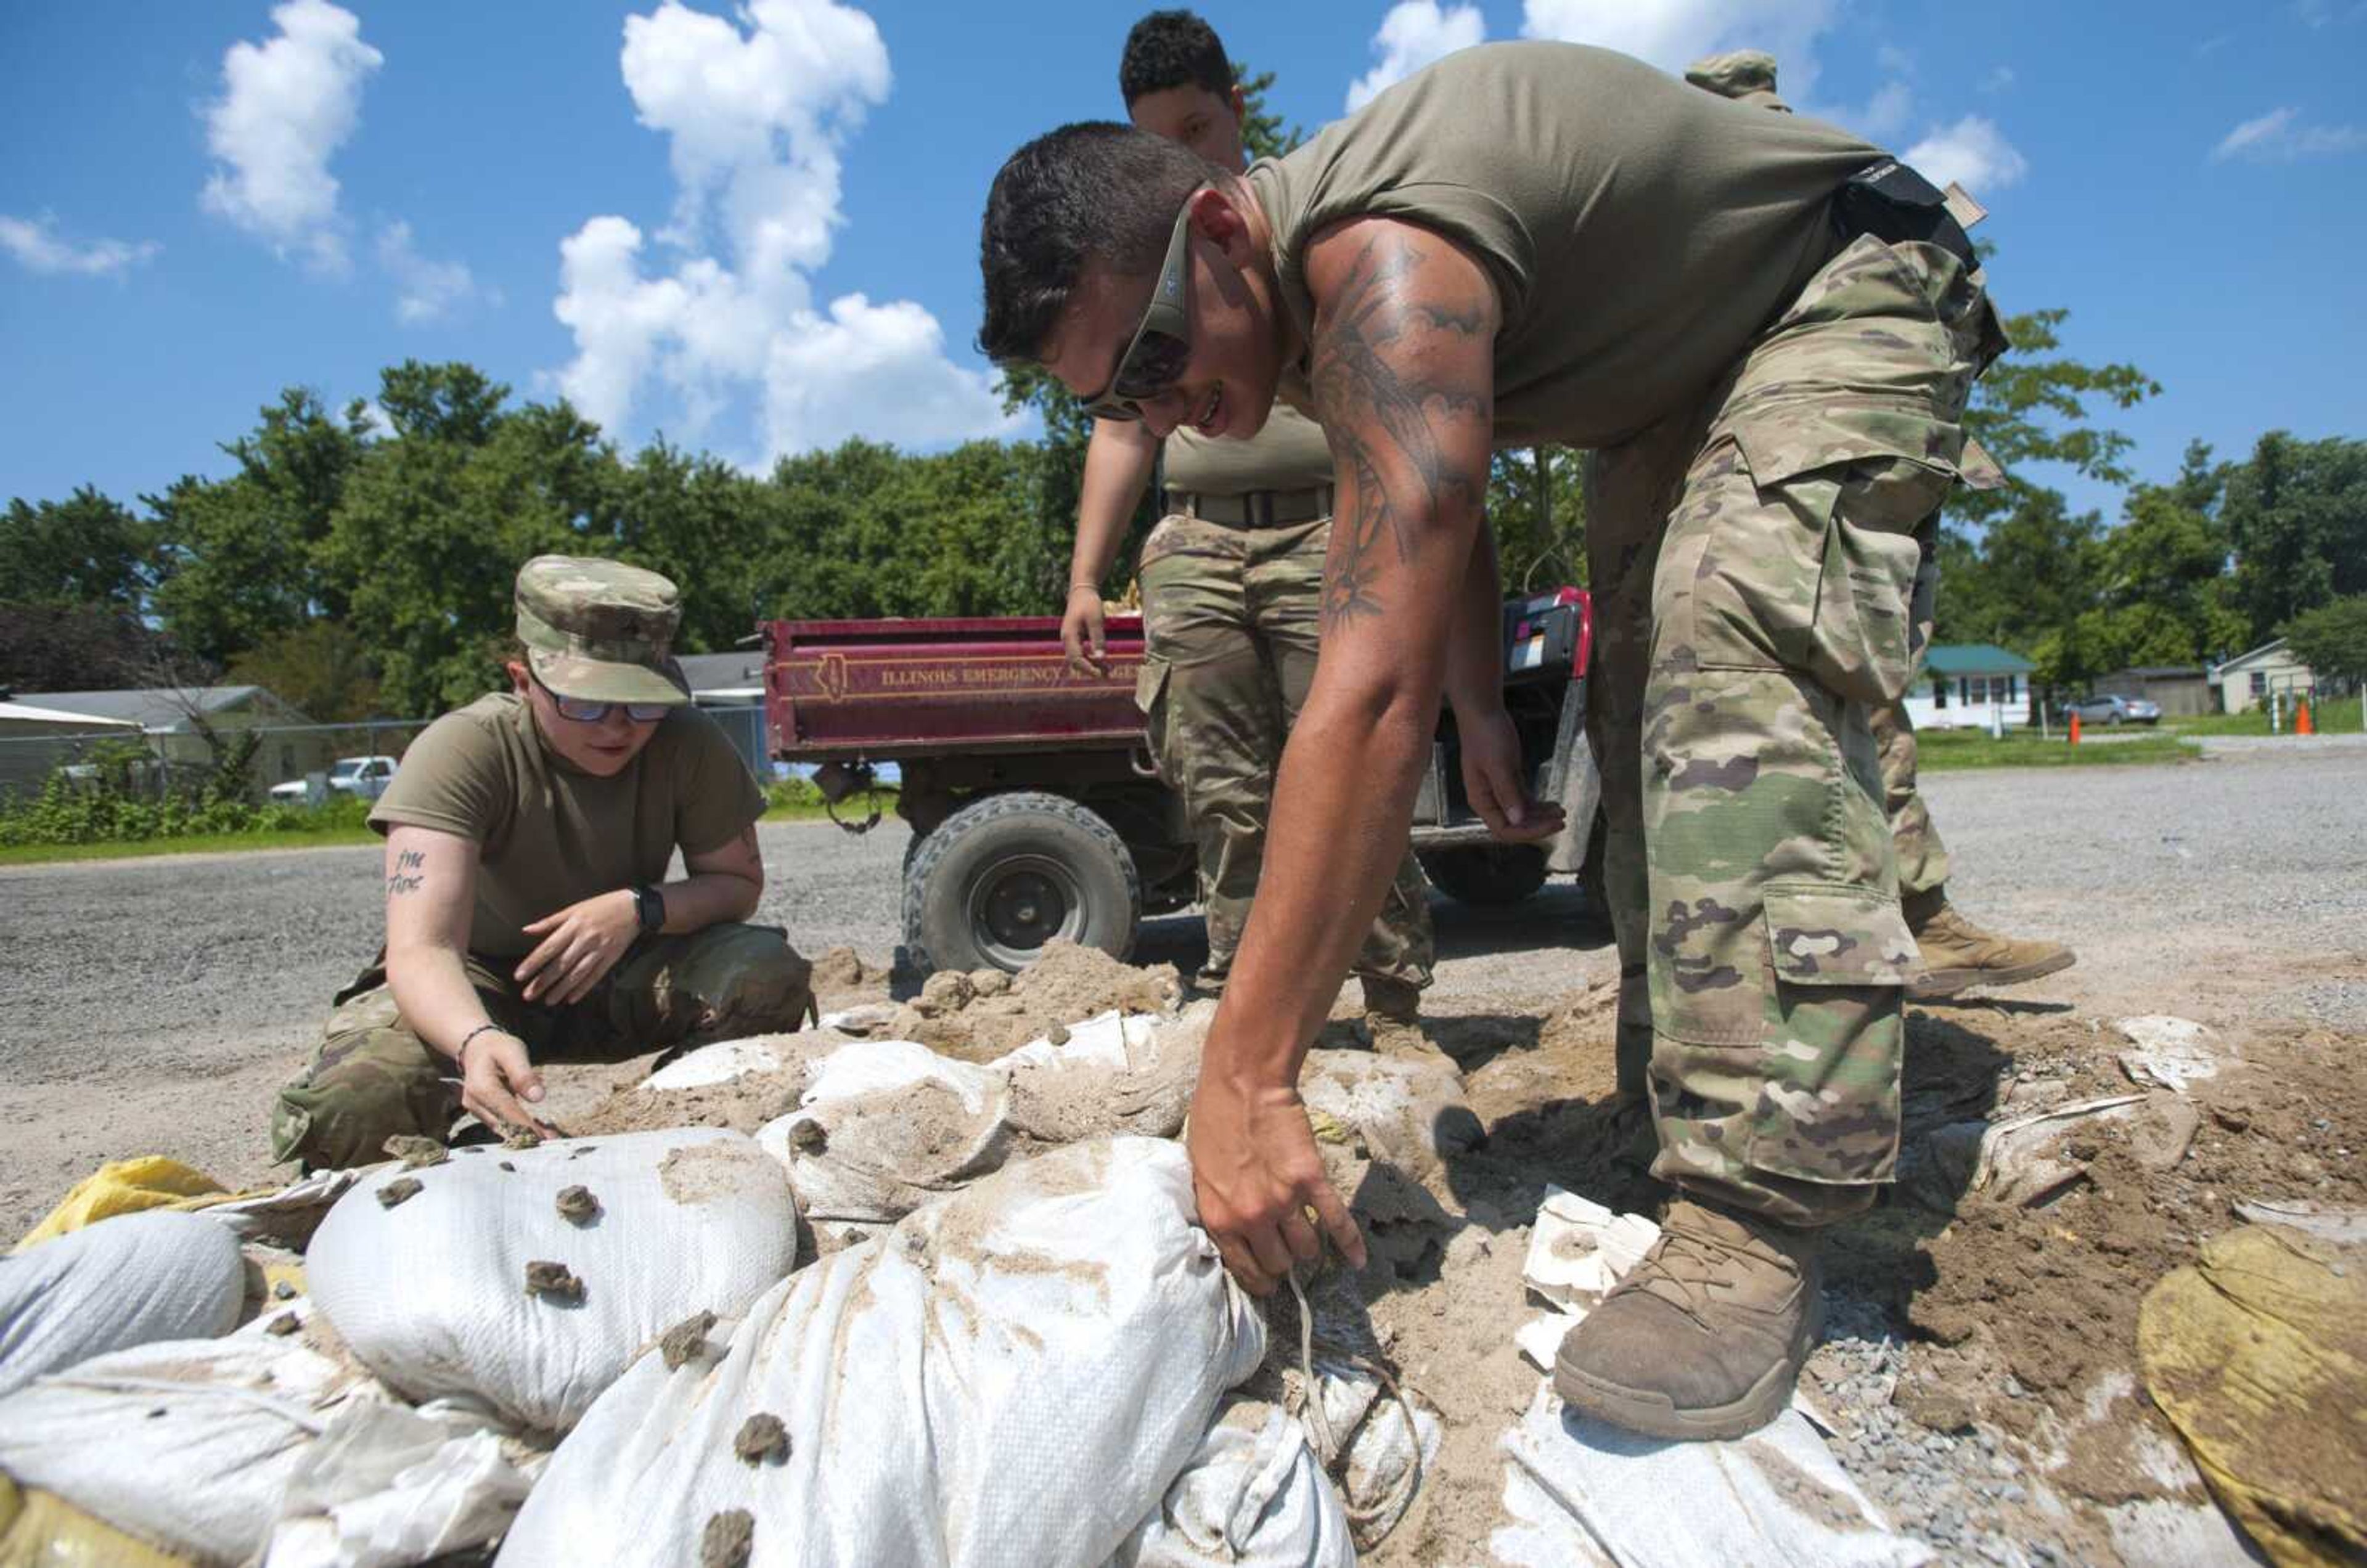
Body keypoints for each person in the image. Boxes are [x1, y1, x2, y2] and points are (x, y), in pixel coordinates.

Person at [978, 39, 2004, 1439]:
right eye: (1112, 401)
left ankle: (1756, 1209)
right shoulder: (1298, 325)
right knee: (1648, 713)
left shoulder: (1383, 258)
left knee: (1725, 638)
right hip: (1673, 379)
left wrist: (1247, 1069)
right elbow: (1421, 547)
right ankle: (1674, 1103)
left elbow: (1366, 686)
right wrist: (1481, 714)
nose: (1159, 413)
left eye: (1153, 356)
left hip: (1836, 280)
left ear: (1217, 226)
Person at [1060, 9, 1435, 1028]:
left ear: (1233, 109)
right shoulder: (1139, 263)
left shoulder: (1301, 215)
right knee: (1221, 783)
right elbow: (1127, 432)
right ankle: (1242, 996)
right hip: (1198, 539)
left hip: (1329, 528)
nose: (1177, 156)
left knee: (1358, 756)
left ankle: (1394, 998)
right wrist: (1088, 578)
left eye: (1193, 130)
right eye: (1151, 141)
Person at [1683, 48, 2077, 1008]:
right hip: (1773, 472)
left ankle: (1918, 917)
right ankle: (1844, 943)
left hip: (1878, 445)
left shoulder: (1846, 185)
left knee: (1871, 687)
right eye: (1754, 114)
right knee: (1804, 709)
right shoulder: (1717, 201)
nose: (1773, 127)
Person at [270, 555, 816, 1170]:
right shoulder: (464, 749)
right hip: (473, 980)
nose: (618, 726)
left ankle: (670, 1136)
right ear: (523, 680)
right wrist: (474, 1040)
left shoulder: (688, 743)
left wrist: (639, 908)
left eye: (641, 703)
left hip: (616, 971)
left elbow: (737, 885)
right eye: (587, 702)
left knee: (764, 974)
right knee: (356, 1104)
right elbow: (422, 950)